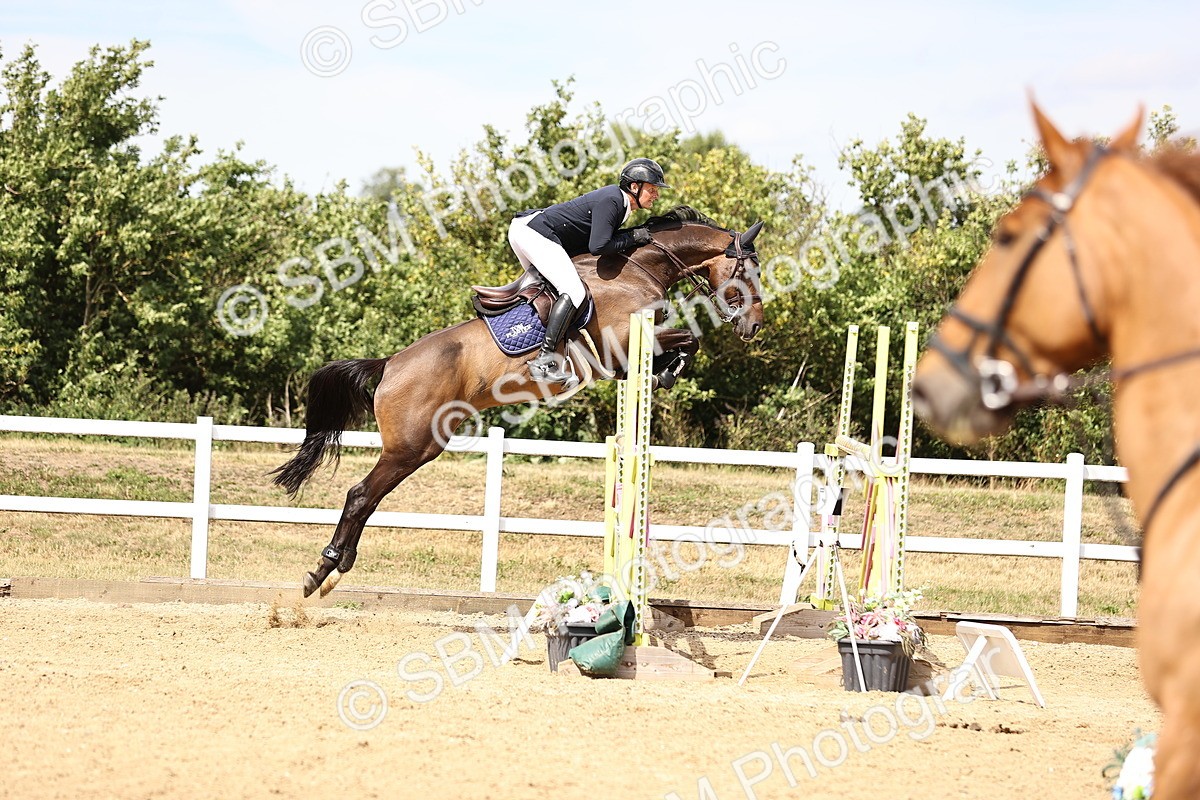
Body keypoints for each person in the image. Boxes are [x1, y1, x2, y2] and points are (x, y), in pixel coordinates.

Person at [508, 157, 669, 384]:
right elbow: (599, 246)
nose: (656, 195)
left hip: (531, 232)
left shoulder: (620, 206)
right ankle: (543, 361)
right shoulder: (614, 199)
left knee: (557, 293)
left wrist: (630, 236)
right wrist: (633, 237)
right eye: (652, 189)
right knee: (574, 291)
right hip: (534, 233)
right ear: (635, 186)